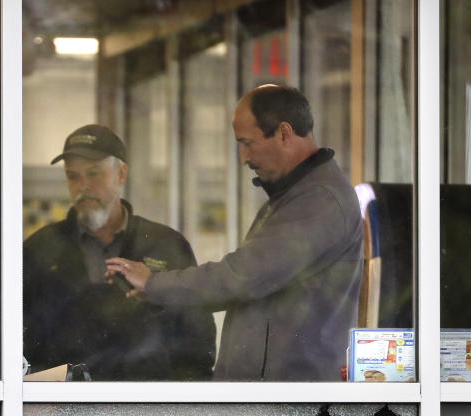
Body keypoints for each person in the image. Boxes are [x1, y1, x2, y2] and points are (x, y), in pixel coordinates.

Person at [106, 85, 363, 381]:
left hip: (289, 405)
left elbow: (243, 276)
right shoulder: (295, 196)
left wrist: (156, 284)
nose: (242, 158)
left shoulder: (319, 200)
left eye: (247, 143)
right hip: (273, 398)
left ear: (283, 133)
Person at [17, 124, 215, 380]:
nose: (83, 186)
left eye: (94, 173)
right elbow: (9, 344)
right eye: (73, 176)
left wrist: (180, 410)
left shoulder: (166, 245)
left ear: (121, 175)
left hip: (146, 411)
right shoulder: (41, 249)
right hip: (64, 412)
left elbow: (197, 341)